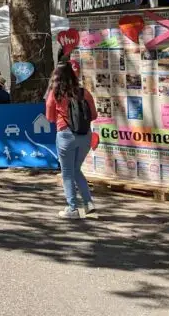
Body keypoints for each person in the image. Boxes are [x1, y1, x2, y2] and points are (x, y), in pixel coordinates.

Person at [46, 61, 97, 219]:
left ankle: (72, 208)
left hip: (65, 135)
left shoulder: (55, 94)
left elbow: (50, 118)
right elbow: (94, 115)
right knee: (76, 169)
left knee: (67, 172)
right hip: (85, 135)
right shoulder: (84, 92)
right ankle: (88, 203)